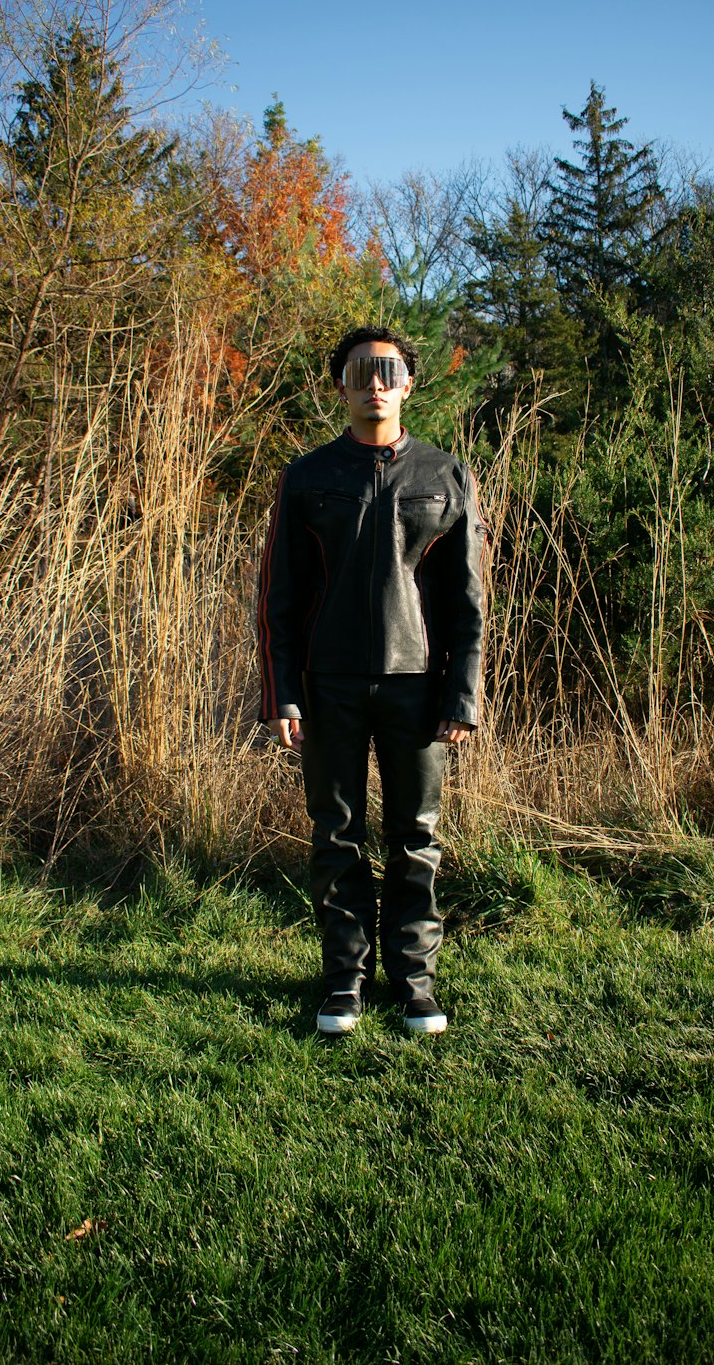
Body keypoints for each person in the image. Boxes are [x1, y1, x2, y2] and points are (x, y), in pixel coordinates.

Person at [257, 325, 488, 1035]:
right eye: (361, 372)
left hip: (418, 686)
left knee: (416, 836)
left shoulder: (445, 476)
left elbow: (467, 598)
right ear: (343, 387)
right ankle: (343, 984)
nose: (375, 384)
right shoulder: (307, 476)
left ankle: (415, 983)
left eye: (388, 371)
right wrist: (282, 693)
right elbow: (278, 597)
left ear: (408, 384)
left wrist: (462, 690)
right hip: (328, 685)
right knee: (337, 835)